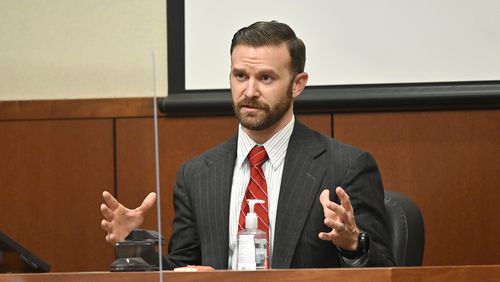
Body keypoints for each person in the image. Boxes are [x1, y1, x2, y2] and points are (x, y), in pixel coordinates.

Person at [101, 21, 395, 269]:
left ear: (297, 84)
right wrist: (136, 244)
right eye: (240, 76)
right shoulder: (197, 174)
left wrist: (354, 243)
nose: (250, 91)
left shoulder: (345, 166)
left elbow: (388, 271)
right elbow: (183, 268)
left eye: (266, 78)